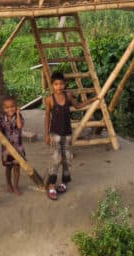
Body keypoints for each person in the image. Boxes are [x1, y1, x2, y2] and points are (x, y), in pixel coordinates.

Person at [43, 71, 99, 200]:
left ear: (64, 84)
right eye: (56, 84)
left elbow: (78, 106)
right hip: (55, 134)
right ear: (52, 85)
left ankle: (64, 182)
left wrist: (92, 99)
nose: (59, 87)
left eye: (61, 84)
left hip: (67, 134)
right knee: (55, 160)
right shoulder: (49, 99)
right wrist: (46, 134)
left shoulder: (68, 96)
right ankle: (51, 185)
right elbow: (46, 117)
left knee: (66, 159)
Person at [0, 97, 25, 195]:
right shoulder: (1, 118)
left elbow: (19, 126)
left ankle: (16, 186)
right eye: (7, 107)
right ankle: (9, 184)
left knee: (17, 167)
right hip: (6, 148)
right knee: (8, 167)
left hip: (18, 146)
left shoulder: (19, 116)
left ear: (16, 107)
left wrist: (17, 113)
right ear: (3, 108)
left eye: (12, 107)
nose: (10, 109)